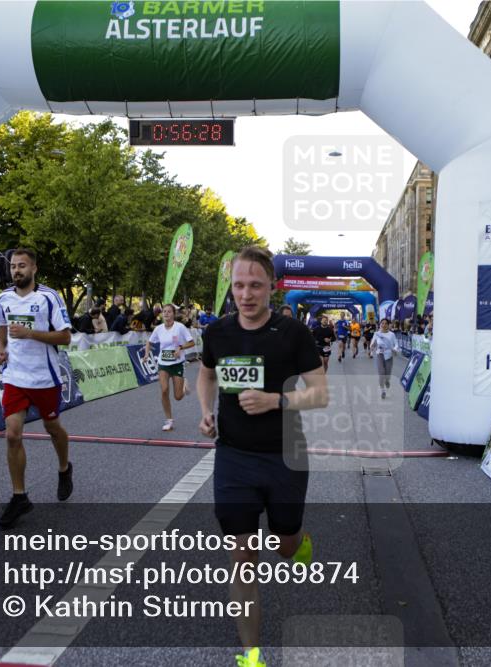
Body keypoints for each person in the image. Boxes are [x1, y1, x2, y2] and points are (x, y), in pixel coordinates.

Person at [196, 246, 327, 667]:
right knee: (242, 556)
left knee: (283, 547)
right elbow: (206, 373)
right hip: (233, 457)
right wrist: (204, 412)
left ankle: (298, 540)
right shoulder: (217, 333)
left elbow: (320, 394)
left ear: (273, 286)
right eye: (238, 285)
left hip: (285, 455)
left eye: (255, 285)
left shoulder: (293, 334)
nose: (246, 294)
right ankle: (251, 655)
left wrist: (276, 401)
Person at [0, 248, 73, 528]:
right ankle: (19, 496)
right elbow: (1, 327)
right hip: (15, 377)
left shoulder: (49, 297)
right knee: (12, 436)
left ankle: (64, 468)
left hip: (45, 378)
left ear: (34, 268)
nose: (16, 271)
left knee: (53, 428)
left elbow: (65, 338)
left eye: (22, 266)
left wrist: (30, 333)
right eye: (13, 266)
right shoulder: (4, 298)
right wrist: (1, 348)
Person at [146, 303, 196, 431]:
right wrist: (146, 354)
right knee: (164, 390)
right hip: (163, 363)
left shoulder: (180, 327)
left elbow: (191, 342)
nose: (166, 314)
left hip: (177, 363)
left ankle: (184, 383)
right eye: (164, 311)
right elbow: (149, 342)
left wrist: (180, 347)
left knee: (178, 397)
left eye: (169, 311)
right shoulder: (158, 329)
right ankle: (169, 420)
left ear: (173, 314)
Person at [370, 318, 399, 398]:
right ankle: (382, 391)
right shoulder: (377, 334)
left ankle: (387, 381)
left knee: (387, 373)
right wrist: (372, 346)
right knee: (381, 373)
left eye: (386, 323)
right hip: (380, 354)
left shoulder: (391, 334)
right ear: (380, 324)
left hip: (389, 355)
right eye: (382, 323)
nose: (384, 325)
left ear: (388, 325)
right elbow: (373, 343)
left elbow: (396, 344)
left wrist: (395, 349)